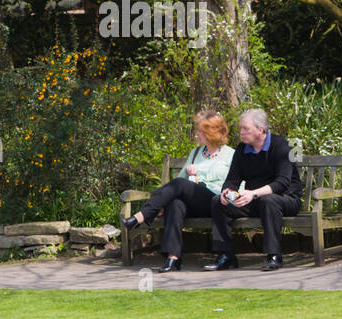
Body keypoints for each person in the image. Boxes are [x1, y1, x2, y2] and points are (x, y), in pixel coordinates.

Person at [122, 111, 234, 273]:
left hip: (215, 202)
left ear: (213, 132)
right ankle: (173, 258)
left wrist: (199, 173)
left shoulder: (230, 154)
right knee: (175, 204)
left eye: (201, 131)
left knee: (181, 186)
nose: (197, 134)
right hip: (193, 203)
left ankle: (142, 215)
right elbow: (177, 184)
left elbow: (233, 182)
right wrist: (164, 201)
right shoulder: (196, 152)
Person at [204, 108, 303, 272]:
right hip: (255, 200)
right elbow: (233, 179)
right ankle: (226, 256)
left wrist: (253, 193)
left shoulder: (281, 145)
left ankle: (274, 256)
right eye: (241, 128)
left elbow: (283, 183)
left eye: (245, 128)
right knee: (218, 202)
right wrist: (226, 192)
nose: (241, 132)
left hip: (286, 199)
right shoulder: (242, 149)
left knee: (268, 200)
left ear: (261, 130)